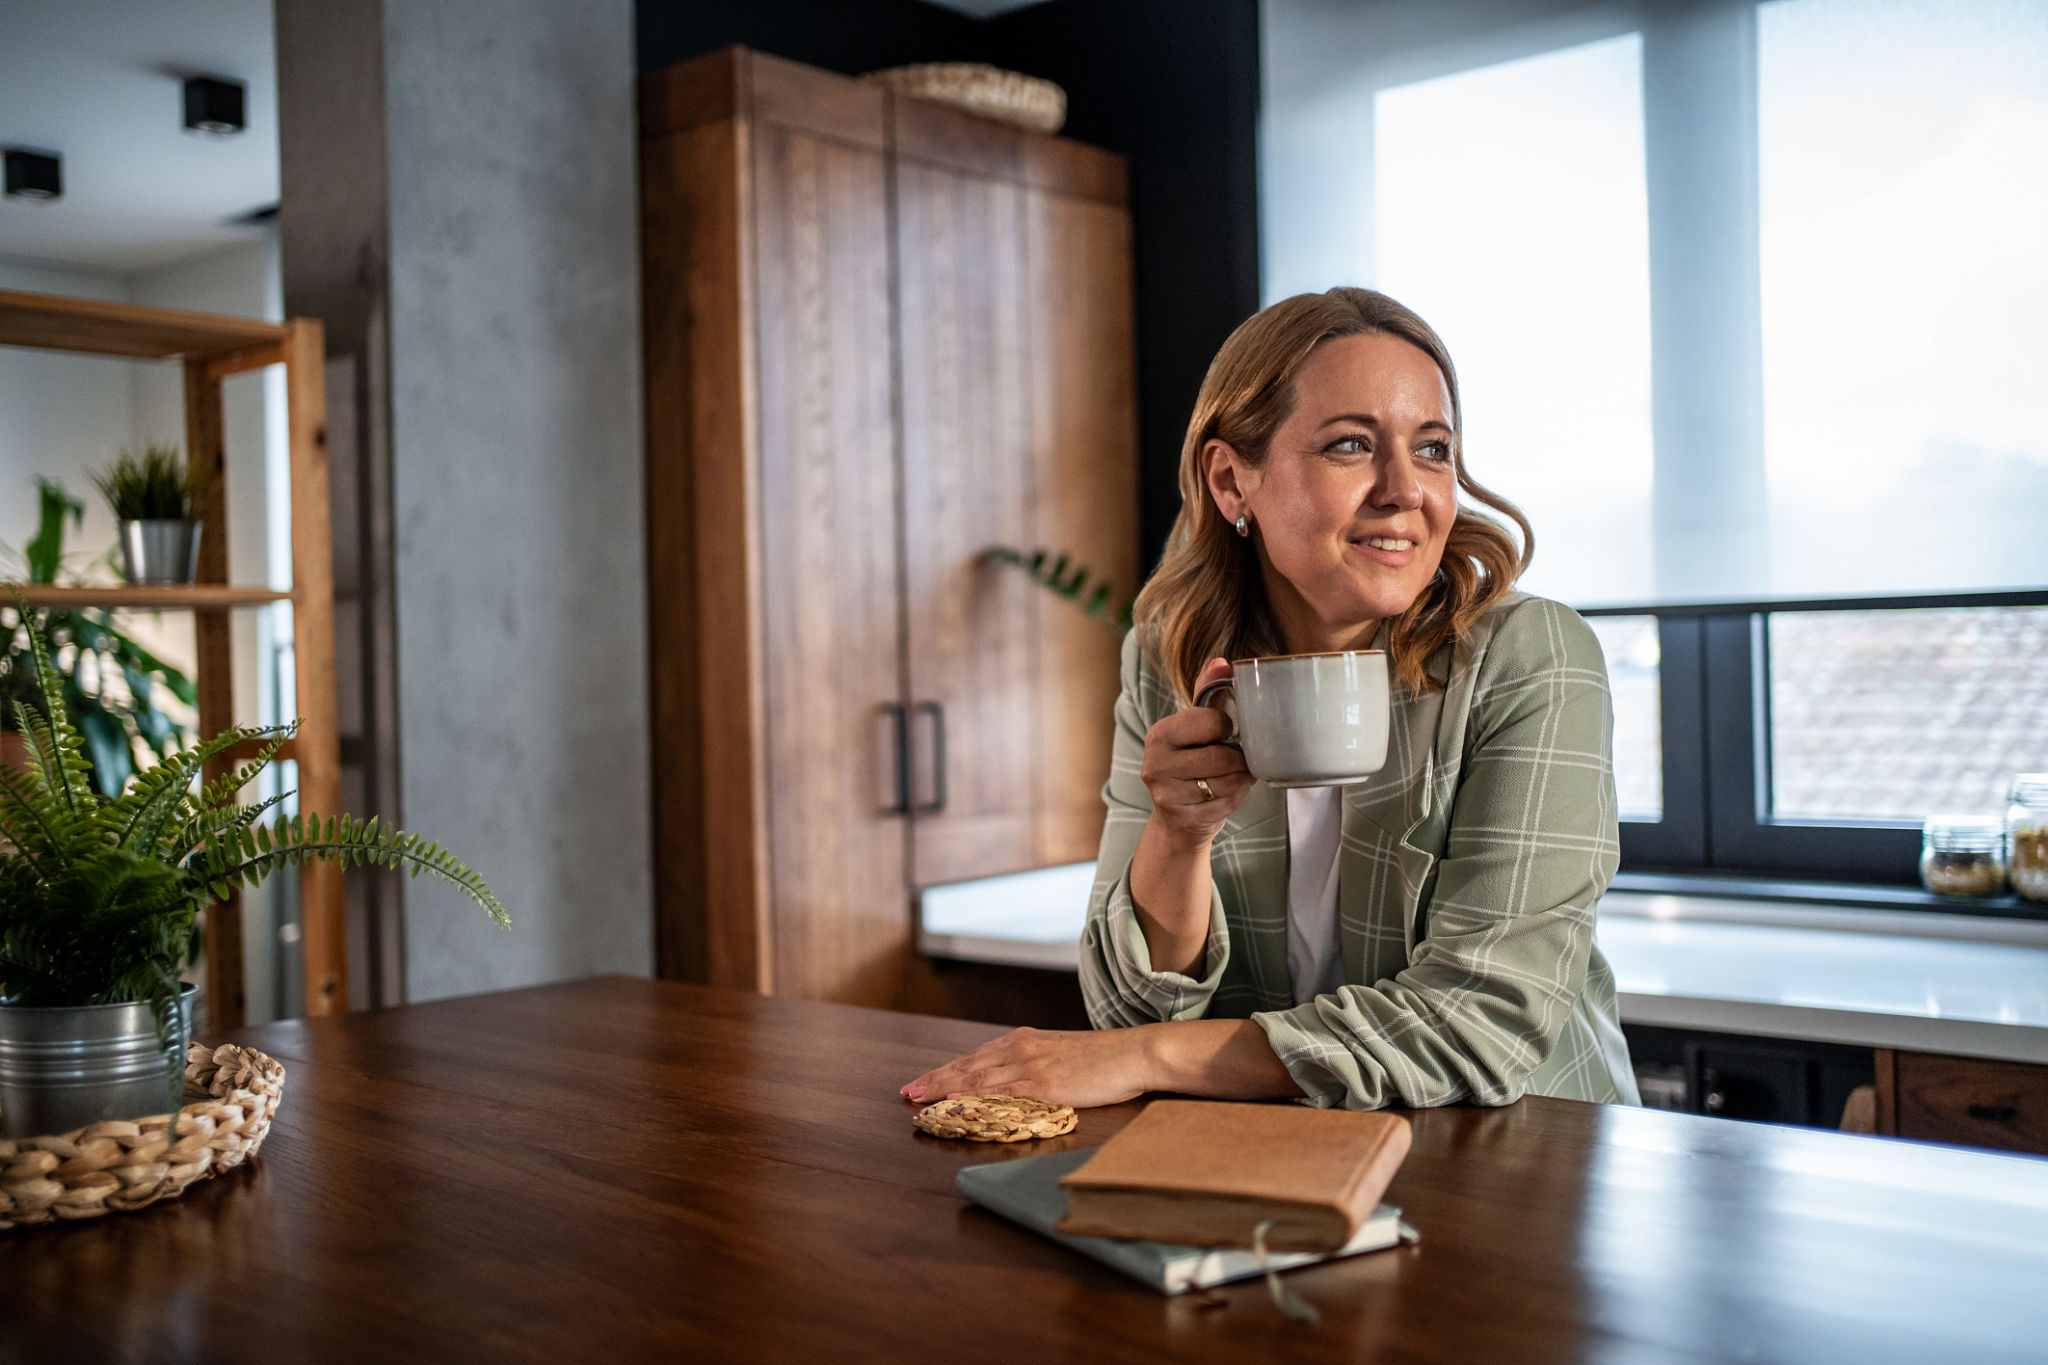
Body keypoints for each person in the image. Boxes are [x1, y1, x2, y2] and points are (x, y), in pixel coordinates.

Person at [901, 287, 1637, 1112]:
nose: (1406, 490)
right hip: (1286, 1160)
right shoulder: (1169, 659)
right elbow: (1127, 1004)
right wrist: (1179, 833)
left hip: (1519, 1162)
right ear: (1231, 481)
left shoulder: (1529, 656)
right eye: (1352, 445)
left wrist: (1148, 1057)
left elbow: (1479, 1024)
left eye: (1432, 449)